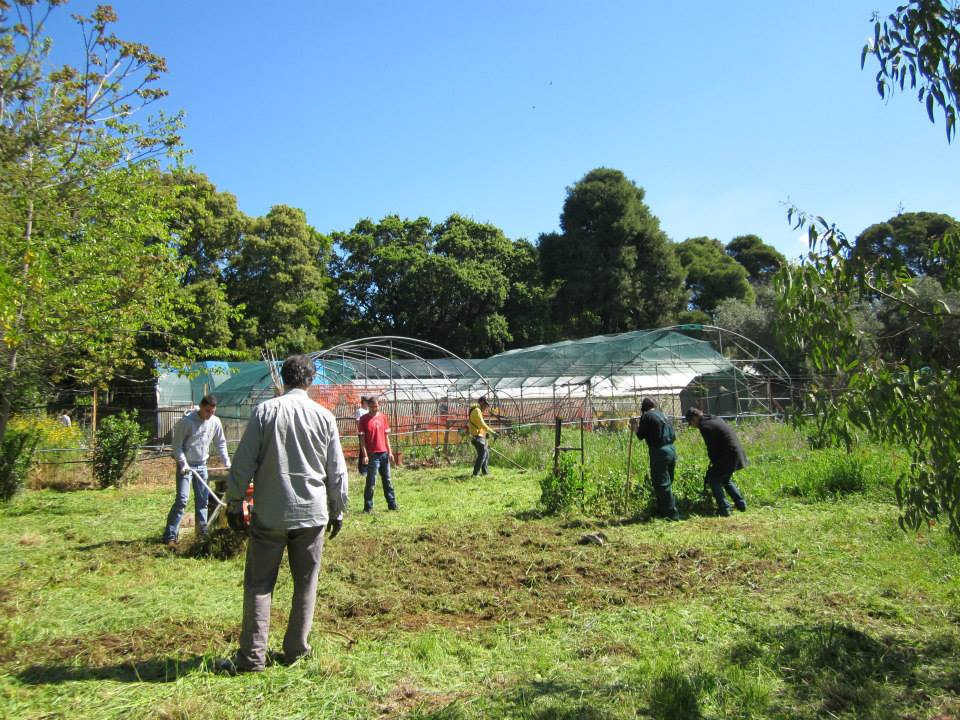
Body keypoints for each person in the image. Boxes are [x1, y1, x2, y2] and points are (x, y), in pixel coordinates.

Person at [219, 355, 348, 674]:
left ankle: (252, 657)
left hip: (271, 514)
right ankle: (296, 651)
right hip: (311, 513)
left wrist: (233, 502)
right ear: (310, 380)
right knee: (306, 584)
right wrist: (338, 509)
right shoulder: (324, 417)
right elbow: (336, 470)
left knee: (259, 584)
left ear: (283, 378)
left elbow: (244, 461)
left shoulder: (265, 412)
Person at [162, 394, 230, 547]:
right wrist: (183, 463)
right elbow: (177, 446)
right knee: (182, 499)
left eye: (212, 411)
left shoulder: (215, 421)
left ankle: (201, 535)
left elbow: (220, 443)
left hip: (202, 465)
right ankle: (170, 536)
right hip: (186, 466)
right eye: (207, 411)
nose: (210, 414)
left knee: (203, 501)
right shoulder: (187, 422)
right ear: (201, 407)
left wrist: (227, 463)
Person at [684, 407, 748, 517]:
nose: (692, 426)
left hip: (728, 455)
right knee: (725, 479)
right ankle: (741, 504)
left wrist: (714, 462)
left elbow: (712, 447)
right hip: (736, 452)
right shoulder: (714, 418)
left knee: (713, 479)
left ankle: (725, 508)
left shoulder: (705, 426)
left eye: (691, 423)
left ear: (694, 418)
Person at [630, 398, 680, 520]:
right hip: (671, 449)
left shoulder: (646, 416)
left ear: (644, 407)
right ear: (654, 405)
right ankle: (662, 510)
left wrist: (634, 426)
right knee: (668, 480)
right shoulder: (663, 415)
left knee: (661, 483)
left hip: (659, 451)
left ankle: (672, 514)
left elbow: (640, 435)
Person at [357, 396, 397, 512]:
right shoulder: (363, 419)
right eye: (372, 407)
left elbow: (386, 437)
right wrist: (365, 455)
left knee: (387, 480)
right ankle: (368, 507)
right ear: (368, 406)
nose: (374, 409)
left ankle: (392, 505)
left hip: (384, 453)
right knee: (371, 481)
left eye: (376, 406)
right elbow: (362, 440)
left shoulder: (383, 417)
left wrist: (390, 452)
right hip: (372, 455)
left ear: (379, 405)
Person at [468, 396, 495, 477]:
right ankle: (475, 474)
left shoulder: (477, 410)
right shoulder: (477, 411)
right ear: (482, 403)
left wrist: (485, 433)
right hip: (476, 437)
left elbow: (478, 425)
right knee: (482, 454)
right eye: (486, 406)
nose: (486, 408)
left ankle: (485, 472)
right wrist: (492, 432)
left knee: (485, 453)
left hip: (478, 435)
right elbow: (481, 424)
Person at [355, 396, 369, 476]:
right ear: (363, 401)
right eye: (366, 401)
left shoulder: (369, 410)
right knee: (362, 451)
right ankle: (362, 470)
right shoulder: (359, 411)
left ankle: (369, 468)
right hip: (362, 433)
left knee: (369, 450)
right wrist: (361, 432)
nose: (367, 402)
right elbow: (358, 422)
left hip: (369, 433)